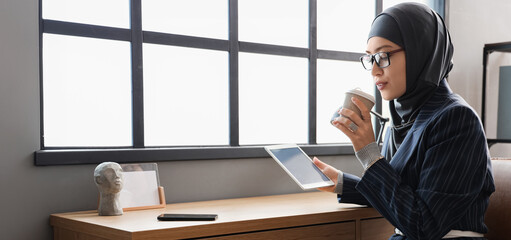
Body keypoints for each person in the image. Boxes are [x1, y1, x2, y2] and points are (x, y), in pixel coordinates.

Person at [313, 3, 495, 239]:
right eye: (370, 58)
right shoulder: (402, 118)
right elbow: (403, 196)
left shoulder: (457, 119)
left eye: (383, 55)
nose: (374, 70)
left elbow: (423, 224)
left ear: (420, 52)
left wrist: (369, 154)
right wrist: (341, 183)